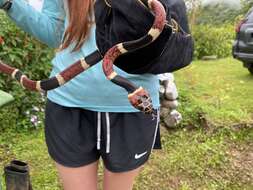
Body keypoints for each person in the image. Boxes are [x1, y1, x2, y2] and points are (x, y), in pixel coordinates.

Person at [0, 0, 161, 189]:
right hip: (68, 104)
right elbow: (57, 33)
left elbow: (167, 28)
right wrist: (10, 3)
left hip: (129, 110)